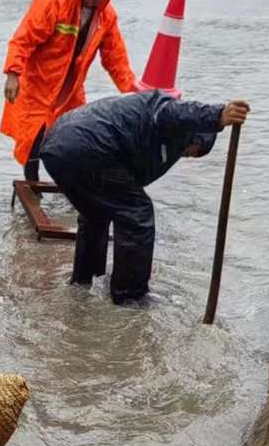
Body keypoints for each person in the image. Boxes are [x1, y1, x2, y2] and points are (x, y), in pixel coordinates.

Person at [40, 90, 251, 304]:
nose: (185, 155)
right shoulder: (166, 113)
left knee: (96, 213)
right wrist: (218, 115)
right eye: (191, 152)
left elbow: (130, 177)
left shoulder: (147, 131)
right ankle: (129, 297)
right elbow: (177, 111)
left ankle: (85, 280)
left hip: (56, 146)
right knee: (137, 214)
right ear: (193, 138)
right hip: (87, 146)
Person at [0, 0, 138, 182]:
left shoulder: (106, 18)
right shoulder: (52, 0)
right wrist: (13, 73)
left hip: (71, 89)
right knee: (34, 138)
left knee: (76, 136)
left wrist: (135, 93)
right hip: (39, 84)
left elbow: (116, 59)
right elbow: (24, 39)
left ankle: (73, 184)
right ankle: (32, 183)